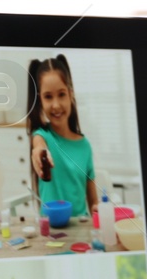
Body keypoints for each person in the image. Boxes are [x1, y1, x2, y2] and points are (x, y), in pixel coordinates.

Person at [27, 55, 97, 218]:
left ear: (70, 94)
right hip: (50, 232)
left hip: (80, 232)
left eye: (61, 94)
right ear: (40, 101)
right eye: (48, 97)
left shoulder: (85, 146)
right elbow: (38, 145)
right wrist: (38, 152)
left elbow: (94, 203)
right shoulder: (42, 136)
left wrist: (99, 209)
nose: (56, 105)